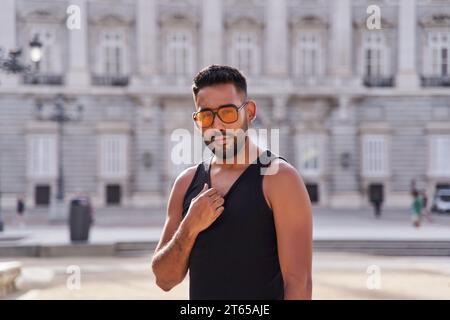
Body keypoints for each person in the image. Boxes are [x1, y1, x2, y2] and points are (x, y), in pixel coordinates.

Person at [151, 65, 313, 300]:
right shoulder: (186, 183)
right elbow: (164, 280)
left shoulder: (279, 178)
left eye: (227, 112)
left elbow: (299, 285)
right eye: (206, 115)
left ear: (249, 111)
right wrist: (190, 227)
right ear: (197, 121)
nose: (217, 125)